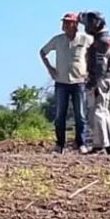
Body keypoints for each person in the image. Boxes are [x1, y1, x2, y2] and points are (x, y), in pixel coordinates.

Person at [40, 12, 92, 153]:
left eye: (69, 22)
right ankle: (60, 145)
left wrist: (90, 71)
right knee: (59, 115)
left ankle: (81, 144)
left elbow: (94, 54)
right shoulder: (57, 40)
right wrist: (50, 68)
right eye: (64, 22)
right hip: (61, 81)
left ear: (75, 24)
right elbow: (42, 52)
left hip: (79, 81)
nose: (65, 25)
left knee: (80, 115)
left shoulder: (85, 39)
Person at [82, 10, 110, 155]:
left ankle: (100, 144)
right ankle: (109, 143)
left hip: (100, 79)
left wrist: (94, 81)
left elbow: (100, 64)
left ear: (97, 23)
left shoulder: (101, 42)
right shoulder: (109, 39)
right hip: (108, 79)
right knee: (104, 111)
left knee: (96, 112)